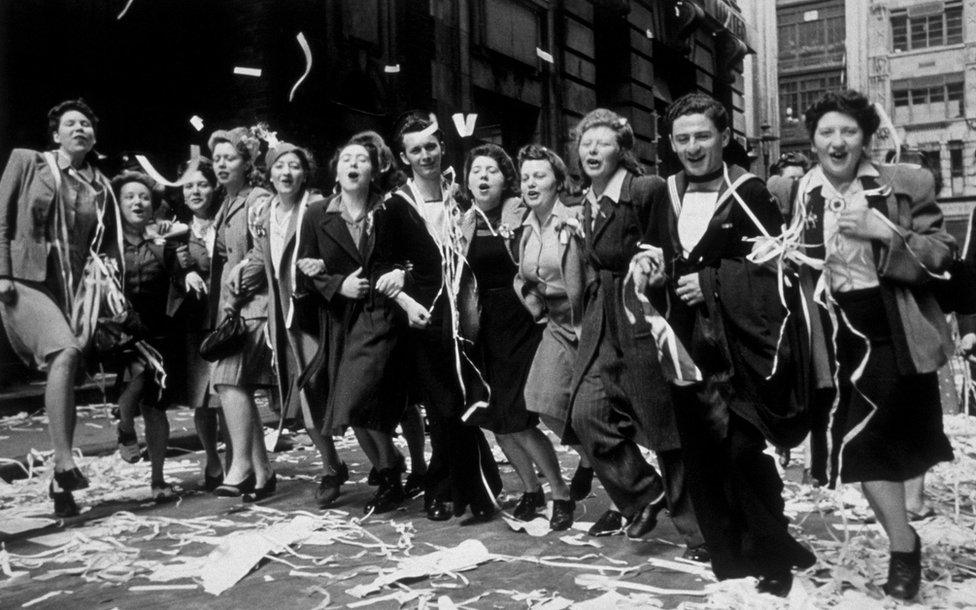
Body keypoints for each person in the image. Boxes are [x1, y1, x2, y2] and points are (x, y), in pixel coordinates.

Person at [640, 93, 815, 594]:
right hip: (685, 341)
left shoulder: (751, 192)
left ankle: (773, 551)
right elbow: (655, 250)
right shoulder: (664, 192)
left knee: (739, 448)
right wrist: (648, 267)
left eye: (702, 136)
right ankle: (737, 555)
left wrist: (713, 282)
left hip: (739, 345)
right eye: (682, 138)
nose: (693, 147)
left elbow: (779, 268)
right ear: (671, 144)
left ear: (723, 138)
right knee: (702, 452)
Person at [793, 90, 955, 600]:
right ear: (814, 140)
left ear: (865, 137)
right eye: (826, 132)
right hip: (835, 335)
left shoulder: (905, 183)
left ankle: (902, 549)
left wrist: (885, 233)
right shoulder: (802, 190)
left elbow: (943, 257)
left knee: (873, 446)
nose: (837, 142)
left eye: (848, 131)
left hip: (891, 331)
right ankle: (905, 544)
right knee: (858, 455)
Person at [566, 108, 705, 554]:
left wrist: (655, 269)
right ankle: (644, 493)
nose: (592, 150)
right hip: (601, 314)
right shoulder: (584, 198)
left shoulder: (644, 189)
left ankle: (699, 532)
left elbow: (669, 246)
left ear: (623, 151)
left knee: (662, 421)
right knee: (586, 411)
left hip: (641, 310)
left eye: (602, 143)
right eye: (586, 143)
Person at [0, 99, 123, 517]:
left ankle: (60, 480)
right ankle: (65, 460)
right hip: (22, 278)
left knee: (65, 370)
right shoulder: (27, 161)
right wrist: (1, 273)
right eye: (70, 123)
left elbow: (105, 243)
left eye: (86, 124)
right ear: (56, 135)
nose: (79, 129)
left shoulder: (99, 186)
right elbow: (1, 218)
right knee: (65, 352)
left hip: (71, 289)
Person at [378, 111, 502, 523]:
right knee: (444, 409)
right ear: (404, 156)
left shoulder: (462, 196)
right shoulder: (395, 207)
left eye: (431, 146)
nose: (426, 154)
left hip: (467, 316)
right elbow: (381, 267)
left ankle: (457, 488)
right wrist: (407, 304)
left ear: (442, 147)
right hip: (425, 322)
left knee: (464, 406)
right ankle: (458, 491)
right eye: (416, 150)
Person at [457, 143, 574, 530]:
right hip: (482, 328)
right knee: (496, 419)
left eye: (491, 170)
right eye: (476, 171)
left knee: (521, 418)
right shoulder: (465, 222)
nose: (483, 177)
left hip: (522, 322)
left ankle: (560, 491)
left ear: (506, 178)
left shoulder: (521, 212)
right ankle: (530, 490)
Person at [294, 133, 408, 511]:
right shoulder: (317, 213)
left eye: (361, 159)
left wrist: (398, 276)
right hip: (340, 321)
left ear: (373, 170)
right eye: (346, 159)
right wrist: (337, 284)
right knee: (350, 407)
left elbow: (408, 259)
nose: (354, 164)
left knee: (360, 399)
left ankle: (393, 470)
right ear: (337, 171)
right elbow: (305, 274)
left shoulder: (391, 209)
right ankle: (388, 469)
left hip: (381, 316)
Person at [513, 144, 593, 524]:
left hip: (589, 322)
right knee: (541, 400)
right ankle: (590, 458)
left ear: (559, 182)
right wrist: (535, 306)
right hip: (556, 324)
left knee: (596, 410)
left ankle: (618, 480)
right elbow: (523, 276)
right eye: (525, 176)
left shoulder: (576, 218)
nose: (531, 183)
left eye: (539, 176)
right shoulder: (525, 225)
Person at [207, 127, 276, 498]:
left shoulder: (258, 198)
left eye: (229, 158)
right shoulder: (227, 201)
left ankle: (241, 465)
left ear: (247, 162)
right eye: (216, 158)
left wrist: (237, 286)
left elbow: (264, 253)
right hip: (233, 308)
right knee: (237, 384)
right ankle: (263, 472)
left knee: (229, 382)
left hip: (252, 305)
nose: (221, 164)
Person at [112, 170, 179, 502]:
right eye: (129, 197)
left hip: (157, 330)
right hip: (117, 330)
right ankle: (125, 423)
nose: (137, 202)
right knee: (137, 378)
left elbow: (181, 270)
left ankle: (158, 478)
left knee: (155, 407)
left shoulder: (162, 240)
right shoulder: (107, 243)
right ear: (117, 203)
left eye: (144, 198)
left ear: (153, 206)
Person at [166, 157, 227, 491]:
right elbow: (170, 266)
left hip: (226, 318)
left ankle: (237, 459)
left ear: (214, 186)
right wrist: (185, 272)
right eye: (188, 185)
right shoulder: (175, 230)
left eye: (202, 184)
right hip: (194, 323)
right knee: (202, 399)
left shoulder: (226, 219)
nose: (195, 191)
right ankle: (213, 460)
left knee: (229, 393)